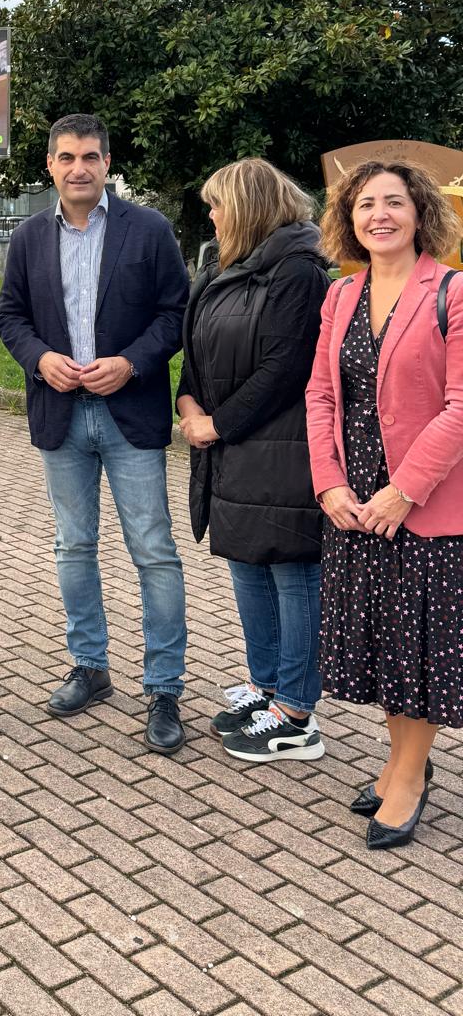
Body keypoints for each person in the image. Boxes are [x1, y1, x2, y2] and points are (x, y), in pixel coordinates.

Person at [0, 113, 190, 751]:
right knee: (73, 546)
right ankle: (90, 666)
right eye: (66, 157)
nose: (78, 168)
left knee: (153, 549)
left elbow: (176, 313)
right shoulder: (28, 236)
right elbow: (10, 316)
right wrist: (39, 359)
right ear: (50, 166)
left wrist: (131, 362)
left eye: (89, 157)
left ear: (108, 163)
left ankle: (164, 687)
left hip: (129, 411)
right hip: (60, 413)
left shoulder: (149, 229)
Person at [306, 159, 463, 850]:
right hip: (354, 503)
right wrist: (328, 482)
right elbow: (319, 394)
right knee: (384, 645)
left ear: (419, 211)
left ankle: (407, 778)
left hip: (423, 505)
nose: (380, 215)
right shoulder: (340, 295)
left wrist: (404, 491)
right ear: (350, 219)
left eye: (394, 202)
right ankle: (404, 761)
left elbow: (461, 406)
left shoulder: (452, 291)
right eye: (366, 203)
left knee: (418, 648)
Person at [176, 159, 330, 762]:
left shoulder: (298, 271)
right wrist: (187, 401)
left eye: (218, 205)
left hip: (283, 450)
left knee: (291, 572)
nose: (211, 216)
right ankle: (266, 690)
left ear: (246, 207)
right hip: (234, 450)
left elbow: (286, 367)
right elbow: (197, 348)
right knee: (247, 566)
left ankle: (295, 713)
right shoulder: (222, 266)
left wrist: (217, 423)